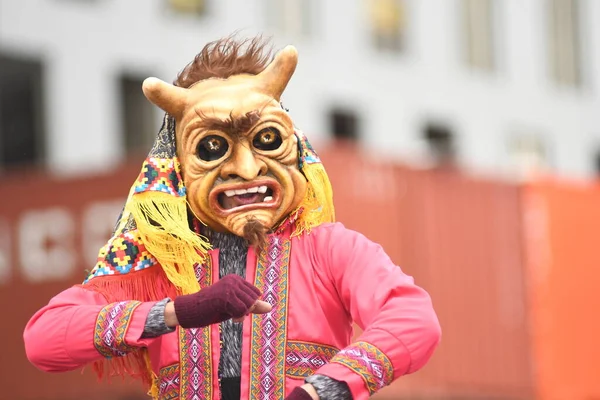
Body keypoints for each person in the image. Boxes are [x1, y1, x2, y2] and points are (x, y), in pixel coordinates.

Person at [23, 35, 441, 400]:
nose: (246, 168)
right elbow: (44, 338)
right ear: (178, 167)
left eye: (267, 140)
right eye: (211, 148)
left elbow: (414, 320)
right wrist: (175, 312)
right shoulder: (159, 265)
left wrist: (325, 389)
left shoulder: (328, 248)